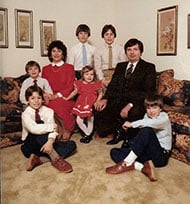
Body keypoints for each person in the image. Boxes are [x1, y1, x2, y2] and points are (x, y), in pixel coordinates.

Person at [94, 38, 157, 145]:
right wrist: (105, 99)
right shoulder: (120, 66)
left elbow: (148, 91)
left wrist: (129, 105)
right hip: (119, 99)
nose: (132, 52)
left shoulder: (148, 67)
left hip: (137, 102)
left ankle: (129, 137)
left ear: (140, 52)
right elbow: (113, 85)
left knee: (134, 112)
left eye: (135, 49)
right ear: (126, 52)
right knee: (98, 107)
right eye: (129, 50)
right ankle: (117, 131)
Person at [105, 94, 172, 182]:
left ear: (160, 108)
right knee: (114, 152)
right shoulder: (146, 116)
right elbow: (143, 133)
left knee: (146, 130)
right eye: (148, 108)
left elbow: (148, 124)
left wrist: (131, 124)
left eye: (154, 108)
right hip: (148, 155)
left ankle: (127, 163)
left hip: (160, 156)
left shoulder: (164, 118)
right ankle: (142, 167)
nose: (151, 111)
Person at [20, 85, 77, 172]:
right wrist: (52, 126)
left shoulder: (49, 111)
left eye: (39, 98)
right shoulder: (25, 114)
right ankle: (56, 159)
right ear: (27, 100)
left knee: (72, 145)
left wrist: (50, 141)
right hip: (30, 145)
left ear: (42, 99)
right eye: (32, 98)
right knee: (39, 123)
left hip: (47, 145)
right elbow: (33, 129)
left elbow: (53, 132)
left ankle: (39, 159)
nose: (36, 101)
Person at [42, 40, 75, 141]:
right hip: (49, 97)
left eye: (59, 51)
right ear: (50, 54)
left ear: (63, 54)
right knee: (47, 105)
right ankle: (57, 130)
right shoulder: (45, 69)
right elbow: (42, 86)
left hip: (65, 97)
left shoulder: (69, 68)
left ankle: (67, 129)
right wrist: (46, 95)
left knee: (56, 104)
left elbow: (70, 87)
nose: (56, 53)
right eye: (54, 51)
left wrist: (57, 96)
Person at [63, 66, 103, 144]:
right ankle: (88, 134)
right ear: (82, 75)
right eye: (87, 74)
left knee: (90, 119)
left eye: (91, 74)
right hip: (81, 103)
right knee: (79, 120)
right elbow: (74, 92)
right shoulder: (79, 84)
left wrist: (97, 101)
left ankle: (87, 135)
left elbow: (101, 93)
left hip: (91, 103)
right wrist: (67, 98)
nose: (89, 76)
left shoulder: (96, 84)